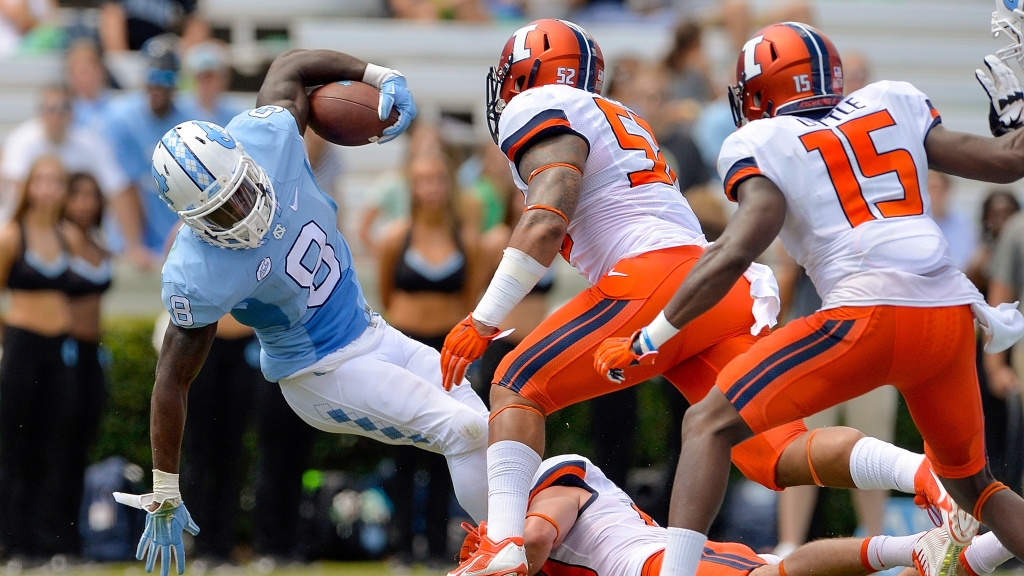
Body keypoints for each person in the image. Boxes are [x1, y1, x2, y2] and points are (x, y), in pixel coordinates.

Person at [443, 19, 954, 576]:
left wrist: (484, 318)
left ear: (527, 76)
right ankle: (931, 477)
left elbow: (545, 220)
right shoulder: (618, 115)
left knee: (516, 383)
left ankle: (505, 546)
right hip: (717, 289)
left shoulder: (542, 104)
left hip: (656, 278)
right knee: (773, 453)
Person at [593, 22, 1024, 576]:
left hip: (867, 314)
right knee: (976, 487)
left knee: (707, 423)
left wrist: (651, 336)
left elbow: (735, 251)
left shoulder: (761, 140)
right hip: (948, 319)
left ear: (761, 92)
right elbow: (1007, 160)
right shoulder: (891, 103)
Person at [111, 48, 492, 576]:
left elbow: (290, 67)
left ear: (244, 161)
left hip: (371, 333)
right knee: (462, 430)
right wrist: (165, 488)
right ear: (190, 220)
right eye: (220, 210)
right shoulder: (200, 270)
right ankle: (504, 555)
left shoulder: (267, 137)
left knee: (486, 424)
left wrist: (377, 75)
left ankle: (528, 545)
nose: (240, 211)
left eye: (239, 193)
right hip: (319, 373)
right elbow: (171, 380)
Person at [461, 454, 1017, 576]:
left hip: (652, 564)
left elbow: (534, 539)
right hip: (668, 557)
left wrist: (488, 564)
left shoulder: (549, 475)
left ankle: (922, 506)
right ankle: (946, 554)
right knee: (778, 571)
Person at [377, 151, 482, 566]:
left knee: (446, 445)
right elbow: (386, 295)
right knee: (404, 444)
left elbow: (470, 298)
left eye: (438, 178)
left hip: (445, 352)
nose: (431, 188)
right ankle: (403, 545)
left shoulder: (466, 239)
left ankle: (439, 547)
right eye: (423, 179)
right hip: (405, 346)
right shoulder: (395, 237)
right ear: (412, 187)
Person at [0, 157, 87, 562]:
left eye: (56, 181)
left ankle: (45, 540)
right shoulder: (11, 236)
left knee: (53, 447)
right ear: (29, 186)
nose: (49, 189)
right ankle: (14, 543)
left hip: (60, 350)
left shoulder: (68, 235)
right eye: (42, 181)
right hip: (22, 347)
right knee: (17, 446)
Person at [103, 34, 198, 265]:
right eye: (151, 76)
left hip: (178, 237)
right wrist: (134, 245)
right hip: (131, 239)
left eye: (164, 77)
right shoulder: (121, 119)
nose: (156, 86)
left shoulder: (191, 123)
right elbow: (125, 185)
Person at [61, 172, 114, 560]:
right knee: (54, 447)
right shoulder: (57, 239)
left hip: (92, 354)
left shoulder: (98, 242)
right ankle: (43, 536)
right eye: (76, 194)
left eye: (91, 195)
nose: (84, 203)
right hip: (62, 353)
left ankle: (72, 538)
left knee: (80, 447)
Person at [0, 86, 131, 240]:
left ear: (73, 113)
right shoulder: (22, 141)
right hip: (28, 227)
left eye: (64, 108)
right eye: (51, 109)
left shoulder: (90, 143)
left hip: (73, 231)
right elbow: (20, 193)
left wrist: (132, 244)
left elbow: (117, 189)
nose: (57, 116)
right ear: (40, 113)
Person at [968, 190, 1023, 495]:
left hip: (1009, 342)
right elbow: (994, 296)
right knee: (999, 441)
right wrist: (994, 365)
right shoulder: (1010, 236)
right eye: (995, 213)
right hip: (1002, 345)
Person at [98, 0, 207, 52]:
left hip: (166, 50)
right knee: (111, 18)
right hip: (129, 52)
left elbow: (195, 24)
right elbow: (110, 12)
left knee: (198, 29)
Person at [183, 41, 240, 128]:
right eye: (201, 76)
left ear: (223, 78)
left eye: (210, 77)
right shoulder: (177, 110)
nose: (206, 82)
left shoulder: (235, 114)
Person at [929, 170, 976, 271]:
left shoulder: (963, 222)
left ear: (947, 189)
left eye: (936, 188)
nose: (935, 194)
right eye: (930, 188)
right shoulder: (917, 224)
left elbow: (971, 258)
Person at [65, 39, 113, 130]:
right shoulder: (64, 109)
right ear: (70, 73)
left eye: (91, 64)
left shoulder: (116, 105)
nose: (83, 69)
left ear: (102, 70)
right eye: (77, 65)